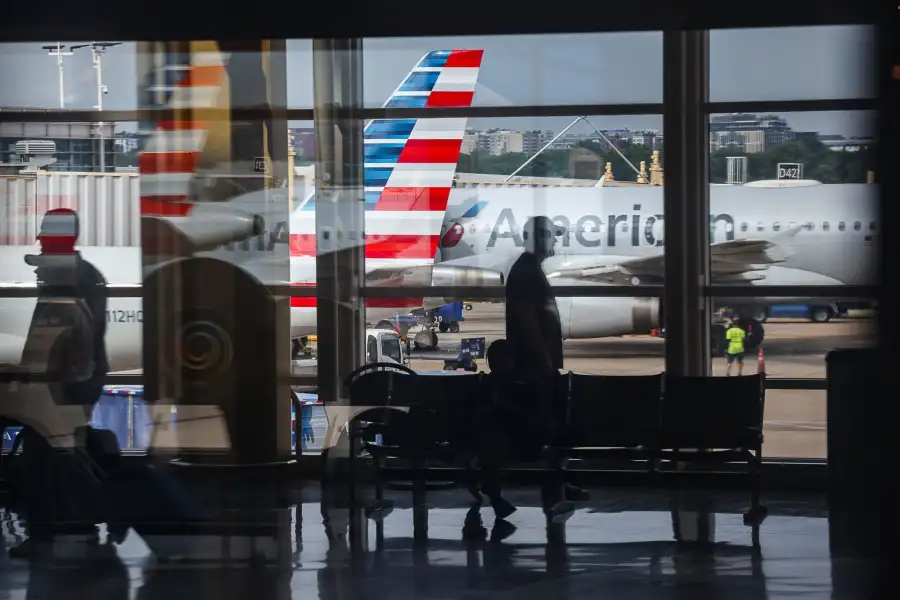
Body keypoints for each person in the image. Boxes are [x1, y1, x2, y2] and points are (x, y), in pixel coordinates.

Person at [9, 208, 111, 560]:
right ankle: (85, 517)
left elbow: (54, 337)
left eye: (44, 232)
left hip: (63, 383)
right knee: (66, 452)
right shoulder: (86, 274)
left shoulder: (64, 278)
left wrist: (31, 377)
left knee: (46, 455)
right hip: (81, 379)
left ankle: (47, 532)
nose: (39, 239)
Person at [503, 216, 590, 514]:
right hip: (534, 365)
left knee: (552, 426)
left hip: (538, 361)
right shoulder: (527, 272)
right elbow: (528, 321)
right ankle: (553, 492)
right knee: (549, 429)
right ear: (539, 239)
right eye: (550, 236)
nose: (554, 242)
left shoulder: (529, 269)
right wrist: (542, 360)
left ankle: (559, 485)